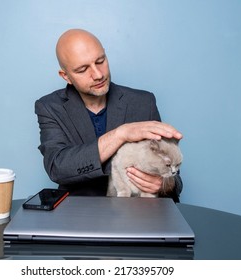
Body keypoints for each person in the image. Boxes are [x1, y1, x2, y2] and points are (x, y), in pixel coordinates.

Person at [35, 29, 184, 202]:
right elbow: (58, 167)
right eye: (83, 69)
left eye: (101, 61)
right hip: (79, 216)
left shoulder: (143, 102)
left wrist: (164, 184)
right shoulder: (50, 107)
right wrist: (120, 134)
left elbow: (176, 178)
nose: (98, 75)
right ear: (66, 76)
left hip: (138, 216)